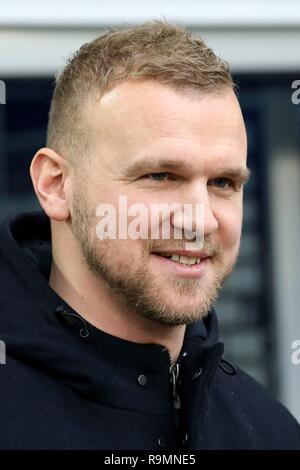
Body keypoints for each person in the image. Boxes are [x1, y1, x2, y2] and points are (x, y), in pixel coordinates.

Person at [0, 20, 299, 451]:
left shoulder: (269, 431)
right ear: (56, 185)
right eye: (160, 175)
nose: (200, 220)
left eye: (223, 183)